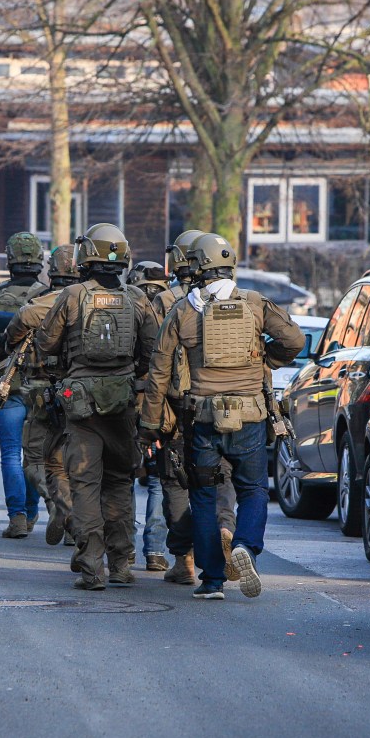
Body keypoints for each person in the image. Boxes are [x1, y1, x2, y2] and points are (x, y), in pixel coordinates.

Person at [139, 233, 305, 600]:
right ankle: (246, 545)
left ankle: (212, 578)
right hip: (249, 415)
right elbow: (294, 340)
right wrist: (264, 360)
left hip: (202, 419)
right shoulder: (256, 303)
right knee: (253, 489)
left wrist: (149, 426)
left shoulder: (181, 311)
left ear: (196, 267)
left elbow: (159, 373)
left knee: (202, 494)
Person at [37, 224, 159, 590]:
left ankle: (92, 566)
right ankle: (121, 564)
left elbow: (46, 343)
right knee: (120, 482)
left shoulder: (72, 296)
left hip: (81, 405)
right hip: (124, 403)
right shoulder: (138, 298)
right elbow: (152, 352)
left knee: (85, 483)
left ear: (85, 257)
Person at [153, 230, 239, 585]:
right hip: (223, 403)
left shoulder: (166, 302)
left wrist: (149, 418)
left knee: (175, 482)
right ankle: (225, 526)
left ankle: (183, 559)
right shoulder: (236, 298)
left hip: (176, 409)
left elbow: (153, 358)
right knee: (221, 476)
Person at [2, 245, 80, 547]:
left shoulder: (39, 306)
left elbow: (12, 334)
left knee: (35, 457)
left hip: (45, 393)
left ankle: (64, 509)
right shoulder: (106, 303)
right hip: (89, 394)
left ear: (52, 271)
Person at [0, 232, 48, 538]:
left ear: (9, 260)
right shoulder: (50, 296)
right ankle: (33, 512)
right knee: (35, 455)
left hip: (6, 385)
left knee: (10, 453)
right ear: (39, 260)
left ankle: (17, 518)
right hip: (40, 387)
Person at [127, 261, 172, 571]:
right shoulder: (178, 304)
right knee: (158, 479)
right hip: (165, 403)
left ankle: (124, 549)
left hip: (127, 399)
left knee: (122, 478)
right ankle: (155, 550)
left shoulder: (126, 302)